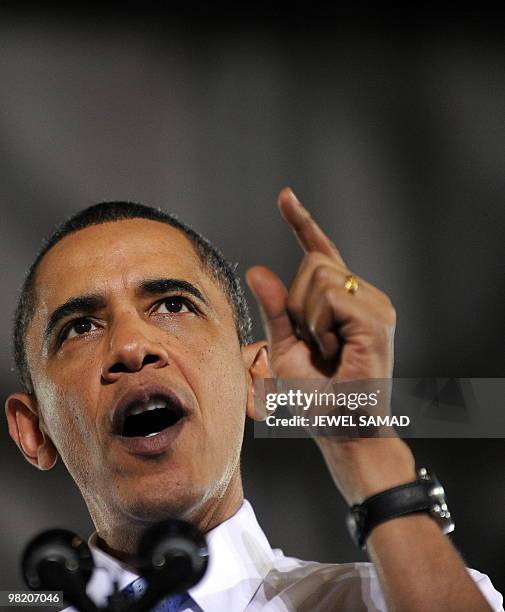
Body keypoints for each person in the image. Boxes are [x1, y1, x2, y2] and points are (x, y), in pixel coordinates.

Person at [5, 188, 503, 611]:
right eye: (81, 327)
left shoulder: (382, 602)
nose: (133, 347)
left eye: (174, 305)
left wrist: (363, 447)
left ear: (255, 378)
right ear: (33, 429)